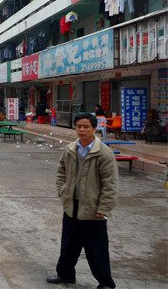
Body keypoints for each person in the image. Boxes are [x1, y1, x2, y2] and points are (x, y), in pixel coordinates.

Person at [47, 113, 118, 289]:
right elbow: (61, 172)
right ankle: (65, 274)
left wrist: (104, 207)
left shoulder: (103, 153)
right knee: (69, 244)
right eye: (79, 126)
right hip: (72, 205)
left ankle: (105, 283)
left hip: (93, 209)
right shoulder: (71, 149)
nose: (82, 130)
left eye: (86, 127)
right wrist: (63, 191)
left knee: (96, 249)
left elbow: (110, 184)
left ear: (94, 128)